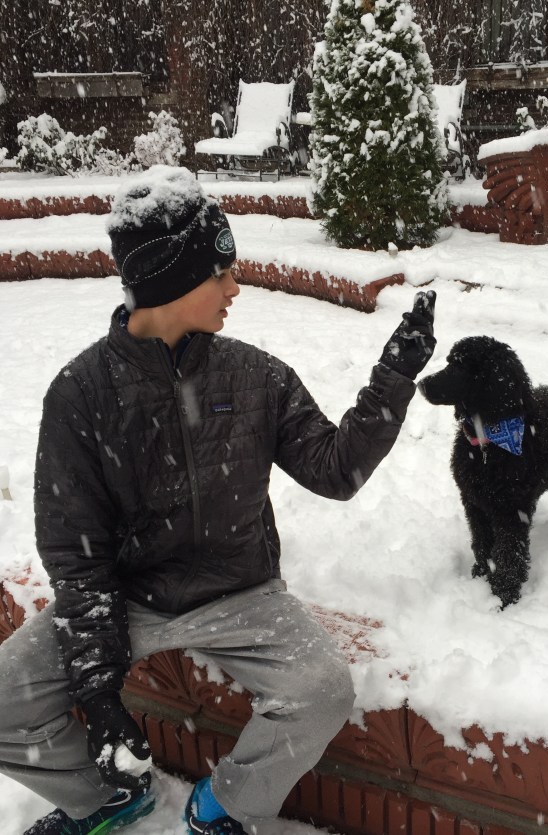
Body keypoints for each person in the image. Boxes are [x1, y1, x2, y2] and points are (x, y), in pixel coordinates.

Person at [0, 166, 437, 835]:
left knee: (323, 690)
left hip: (241, 592)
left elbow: (336, 471)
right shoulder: (81, 394)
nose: (236, 287)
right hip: (128, 597)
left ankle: (228, 803)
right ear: (171, 280)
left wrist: (394, 377)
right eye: (221, 274)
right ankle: (105, 797)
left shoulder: (257, 377)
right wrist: (100, 691)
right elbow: (75, 553)